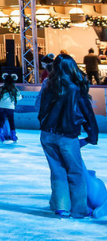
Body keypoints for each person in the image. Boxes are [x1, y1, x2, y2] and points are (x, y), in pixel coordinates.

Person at [38, 53, 98, 218]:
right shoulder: (75, 88)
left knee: (57, 171)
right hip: (66, 136)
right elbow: (87, 114)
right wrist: (92, 137)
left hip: (47, 135)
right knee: (75, 172)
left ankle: (62, 207)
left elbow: (41, 109)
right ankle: (79, 209)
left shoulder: (48, 85)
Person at [0, 73, 20, 142]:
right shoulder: (14, 89)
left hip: (0, 106)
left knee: (1, 120)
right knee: (11, 120)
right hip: (10, 107)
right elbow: (19, 97)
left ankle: (0, 133)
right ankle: (13, 134)